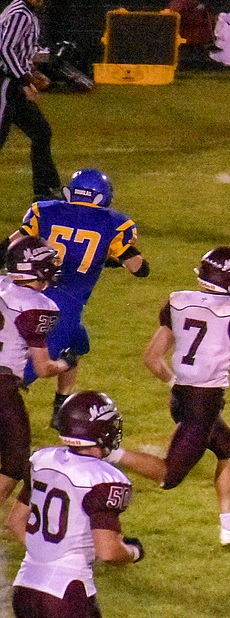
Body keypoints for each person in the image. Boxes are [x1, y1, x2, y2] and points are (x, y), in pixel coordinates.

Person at [107, 247, 230, 546]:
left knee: (229, 452)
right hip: (204, 403)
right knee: (168, 475)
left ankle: (229, 527)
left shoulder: (178, 301)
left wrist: (175, 383)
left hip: (182, 397)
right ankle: (108, 452)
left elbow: (152, 358)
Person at [0, 390, 144, 618]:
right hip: (67, 588)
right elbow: (107, 550)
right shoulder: (103, 478)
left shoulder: (43, 459)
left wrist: (48, 553)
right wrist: (132, 552)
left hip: (27, 583)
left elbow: (15, 521)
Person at [10, 168, 150, 429]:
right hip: (65, 305)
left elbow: (12, 245)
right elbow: (138, 268)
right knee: (20, 375)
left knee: (76, 346)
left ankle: (60, 407)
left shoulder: (46, 210)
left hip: (30, 290)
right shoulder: (113, 222)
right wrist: (114, 259)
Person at [0, 236, 81, 504]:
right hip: (2, 385)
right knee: (15, 461)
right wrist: (67, 363)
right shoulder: (38, 307)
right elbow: (43, 368)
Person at [0, 0, 63, 201]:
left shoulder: (26, 13)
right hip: (5, 84)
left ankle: (45, 189)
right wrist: (25, 80)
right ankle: (46, 188)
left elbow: (16, 51)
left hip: (13, 82)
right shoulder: (20, 14)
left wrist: (33, 72)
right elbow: (4, 49)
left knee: (41, 132)